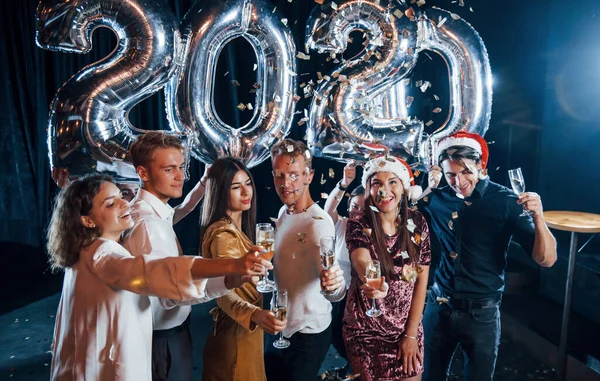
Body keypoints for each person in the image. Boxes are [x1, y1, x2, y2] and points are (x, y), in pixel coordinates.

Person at [46, 174, 269, 381]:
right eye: (110, 203)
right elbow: (154, 271)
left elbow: (161, 287)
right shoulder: (102, 254)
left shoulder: (86, 251)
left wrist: (227, 281)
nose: (125, 203)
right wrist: (233, 264)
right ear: (88, 220)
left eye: (121, 196)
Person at [419, 131, 557, 381]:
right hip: (438, 307)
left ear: (481, 166)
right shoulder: (436, 198)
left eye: (466, 172)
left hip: (481, 315)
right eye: (450, 174)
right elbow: (403, 210)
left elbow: (546, 259)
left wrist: (538, 216)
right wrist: (428, 186)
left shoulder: (506, 201)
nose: (458, 182)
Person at [121, 132, 235, 381]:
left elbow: (180, 211)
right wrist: (229, 279)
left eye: (181, 167)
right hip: (162, 339)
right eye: (169, 169)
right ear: (143, 173)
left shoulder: (148, 210)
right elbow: (172, 290)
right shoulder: (148, 226)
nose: (181, 176)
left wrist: (205, 181)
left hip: (163, 334)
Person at [343, 155, 431, 381]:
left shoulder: (418, 222)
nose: (385, 190)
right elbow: (360, 259)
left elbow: (421, 279)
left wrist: (411, 335)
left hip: (407, 330)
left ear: (403, 188)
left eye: (392, 182)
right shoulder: (358, 222)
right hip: (366, 332)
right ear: (368, 190)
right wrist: (372, 282)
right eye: (377, 184)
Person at [266, 139, 346, 381]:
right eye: (279, 175)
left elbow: (335, 291)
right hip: (280, 328)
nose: (284, 183)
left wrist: (335, 285)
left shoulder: (318, 225)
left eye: (293, 175)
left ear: (309, 176)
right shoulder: (283, 212)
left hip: (308, 334)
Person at [200, 157, 287, 381]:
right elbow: (222, 293)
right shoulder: (223, 234)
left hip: (244, 331)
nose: (246, 191)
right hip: (236, 333)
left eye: (248, 183)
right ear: (220, 191)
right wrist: (254, 314)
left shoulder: (236, 228)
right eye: (236, 187)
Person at [323, 161, 365, 370]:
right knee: (335, 340)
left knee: (351, 344)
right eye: (354, 206)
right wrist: (343, 183)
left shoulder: (373, 234)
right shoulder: (342, 225)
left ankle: (355, 369)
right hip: (336, 294)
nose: (357, 212)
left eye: (363, 208)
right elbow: (327, 209)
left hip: (359, 299)